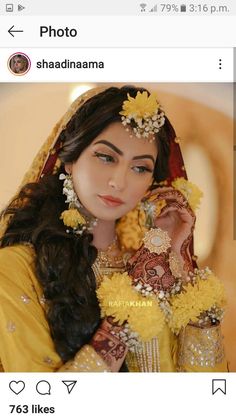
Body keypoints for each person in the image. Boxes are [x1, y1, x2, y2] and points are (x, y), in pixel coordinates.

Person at [0, 85, 227, 372]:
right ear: (69, 159)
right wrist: (132, 300)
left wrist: (182, 267)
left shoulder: (158, 270)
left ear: (152, 182)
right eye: (106, 157)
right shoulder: (18, 269)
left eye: (140, 168)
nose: (119, 182)